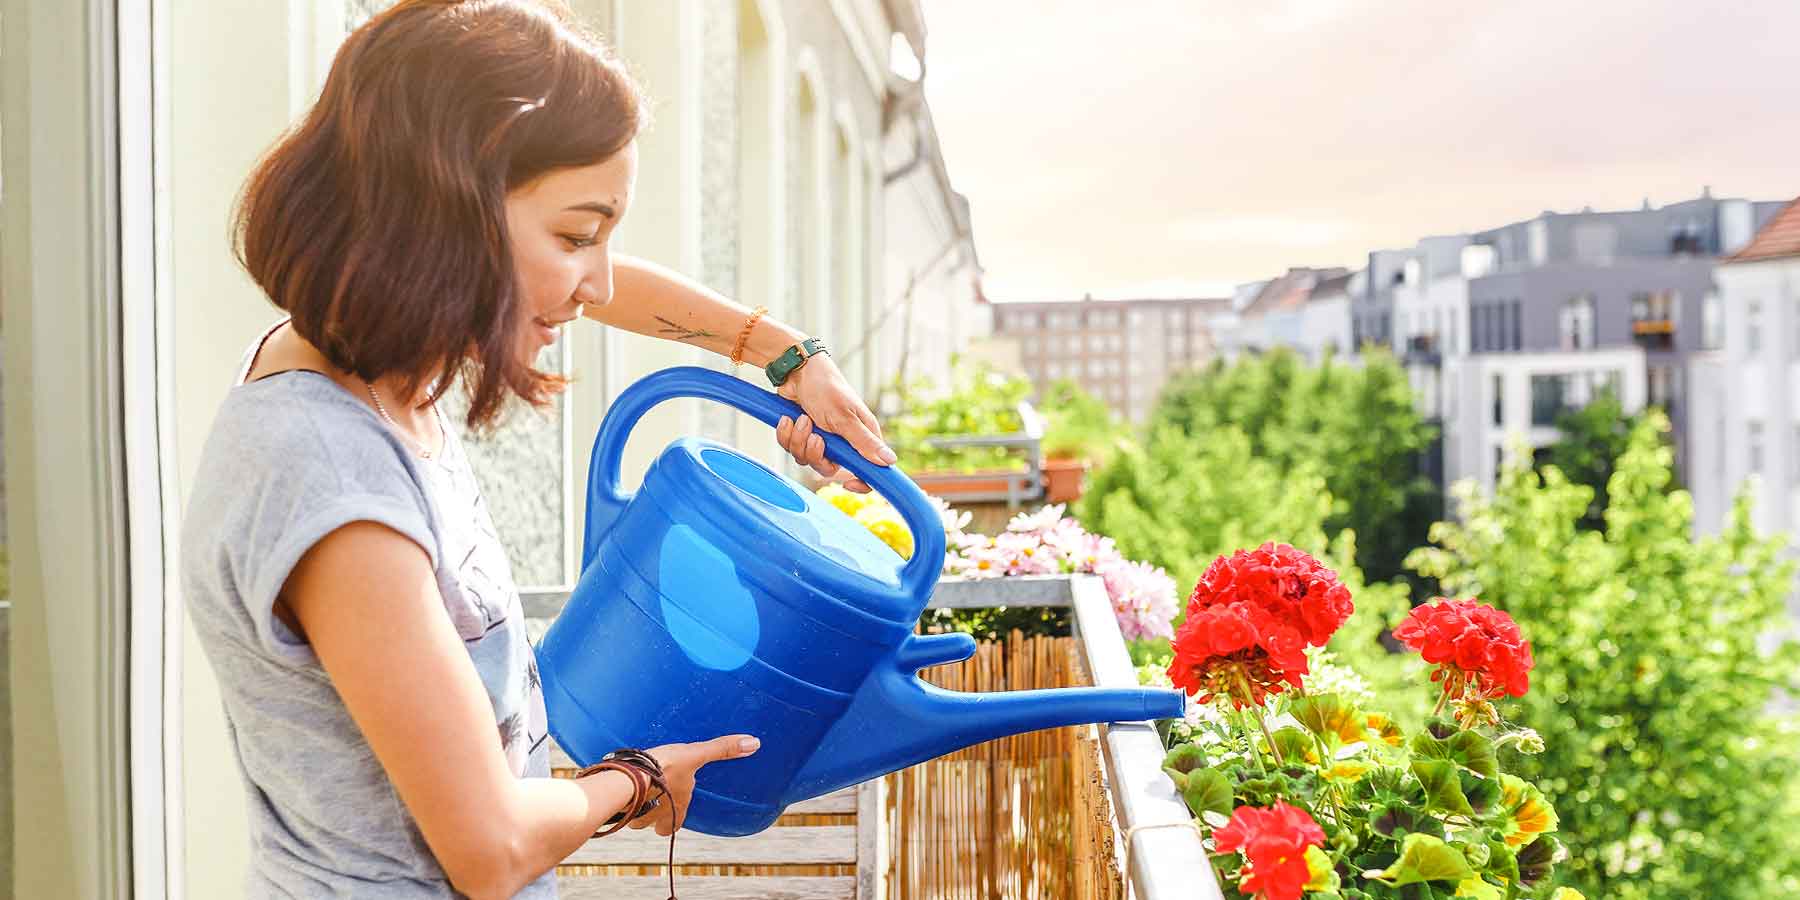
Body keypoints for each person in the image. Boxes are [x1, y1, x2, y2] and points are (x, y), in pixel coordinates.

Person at [179, 2, 896, 897]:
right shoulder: (328, 480)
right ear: (439, 210)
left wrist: (784, 353)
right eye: (577, 236)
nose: (595, 283)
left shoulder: (364, 377)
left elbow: (591, 278)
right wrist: (634, 781)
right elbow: (490, 847)